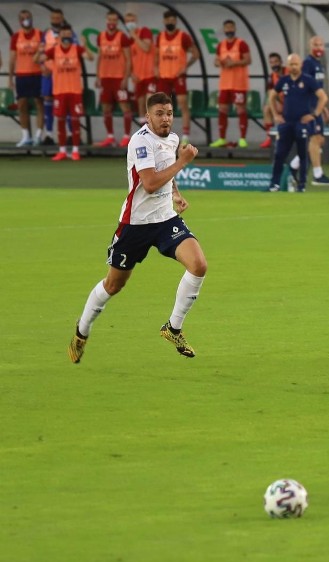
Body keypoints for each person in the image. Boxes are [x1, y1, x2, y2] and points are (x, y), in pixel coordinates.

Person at [68, 92, 205, 364]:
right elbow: (151, 182)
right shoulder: (140, 142)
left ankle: (173, 328)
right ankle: (82, 331)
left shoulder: (174, 139)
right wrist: (183, 162)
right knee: (114, 284)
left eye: (169, 113)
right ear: (148, 116)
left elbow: (166, 173)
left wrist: (176, 193)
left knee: (199, 265)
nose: (165, 119)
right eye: (159, 114)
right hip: (136, 224)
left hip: (165, 219)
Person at [268, 54, 329, 193]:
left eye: (296, 64)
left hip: (302, 123)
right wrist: (276, 115)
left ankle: (301, 185)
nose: (294, 67)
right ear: (287, 66)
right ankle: (274, 184)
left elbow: (323, 97)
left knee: (303, 153)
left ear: (301, 65)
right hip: (286, 122)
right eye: (291, 64)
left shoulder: (308, 80)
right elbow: (271, 96)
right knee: (279, 154)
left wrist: (314, 114)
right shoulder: (284, 81)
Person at [37, 25, 94, 161]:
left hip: (74, 91)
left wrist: (85, 45)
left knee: (75, 120)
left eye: (69, 33)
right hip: (59, 91)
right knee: (61, 120)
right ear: (60, 35)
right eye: (64, 34)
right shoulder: (54, 50)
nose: (66, 36)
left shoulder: (76, 49)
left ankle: (75, 150)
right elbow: (38, 60)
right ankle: (62, 150)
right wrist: (40, 54)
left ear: (71, 35)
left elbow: (90, 58)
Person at [288, 36, 329, 186]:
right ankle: (317, 175)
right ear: (310, 47)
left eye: (321, 45)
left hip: (316, 107)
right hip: (309, 109)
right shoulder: (307, 64)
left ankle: (293, 167)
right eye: (316, 45)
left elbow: (316, 88)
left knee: (318, 140)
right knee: (315, 139)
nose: (319, 48)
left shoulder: (319, 65)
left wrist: (323, 106)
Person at [154, 10, 199, 143]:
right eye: (167, 20)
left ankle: (185, 136)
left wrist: (186, 66)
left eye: (172, 20)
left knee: (182, 104)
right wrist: (156, 68)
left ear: (176, 21)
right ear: (164, 21)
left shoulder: (183, 36)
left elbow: (195, 54)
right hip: (164, 76)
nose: (170, 22)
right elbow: (156, 55)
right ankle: (163, 134)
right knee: (162, 107)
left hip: (178, 76)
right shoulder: (160, 36)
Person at [210, 20, 251, 148]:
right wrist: (220, 62)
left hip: (239, 83)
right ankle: (222, 138)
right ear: (224, 30)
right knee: (222, 109)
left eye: (231, 27)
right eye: (226, 27)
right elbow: (216, 62)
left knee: (240, 109)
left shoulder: (241, 44)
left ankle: (242, 138)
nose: (229, 30)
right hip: (224, 83)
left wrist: (234, 63)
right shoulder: (221, 45)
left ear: (235, 28)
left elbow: (248, 59)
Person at [95, 10, 133, 147]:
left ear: (117, 22)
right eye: (109, 20)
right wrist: (98, 76)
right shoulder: (101, 37)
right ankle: (110, 136)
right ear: (106, 21)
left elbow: (129, 59)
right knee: (106, 108)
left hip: (118, 78)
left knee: (125, 107)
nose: (112, 23)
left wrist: (125, 77)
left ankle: (127, 136)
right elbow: (99, 57)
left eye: (114, 20)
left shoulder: (122, 37)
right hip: (105, 78)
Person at [8, 10, 44, 147]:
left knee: (39, 103)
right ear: (19, 21)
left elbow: (44, 54)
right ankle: (25, 136)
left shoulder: (39, 34)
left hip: (37, 74)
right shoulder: (16, 36)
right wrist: (11, 78)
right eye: (23, 18)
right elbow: (12, 58)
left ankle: (38, 135)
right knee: (21, 105)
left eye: (28, 17)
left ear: (32, 18)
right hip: (22, 75)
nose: (26, 19)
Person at [39, 8, 69, 146]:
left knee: (65, 103)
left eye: (58, 18)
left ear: (62, 18)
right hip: (49, 74)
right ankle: (49, 135)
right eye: (53, 18)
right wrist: (42, 66)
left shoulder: (69, 33)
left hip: (64, 75)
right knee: (48, 102)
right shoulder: (46, 33)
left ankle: (69, 136)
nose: (55, 20)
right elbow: (40, 52)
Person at [125, 12, 156, 125]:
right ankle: (144, 130)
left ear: (136, 20)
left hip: (150, 74)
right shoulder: (128, 39)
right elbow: (129, 58)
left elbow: (146, 48)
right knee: (140, 104)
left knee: (150, 102)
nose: (130, 23)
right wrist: (131, 73)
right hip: (138, 76)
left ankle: (154, 129)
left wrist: (135, 36)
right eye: (127, 21)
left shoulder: (144, 31)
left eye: (132, 20)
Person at [260, 52, 285, 149]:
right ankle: (269, 137)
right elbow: (271, 95)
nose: (274, 64)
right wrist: (276, 111)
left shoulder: (289, 72)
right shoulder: (271, 77)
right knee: (267, 109)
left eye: (276, 62)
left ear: (281, 62)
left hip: (293, 103)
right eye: (271, 62)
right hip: (281, 103)